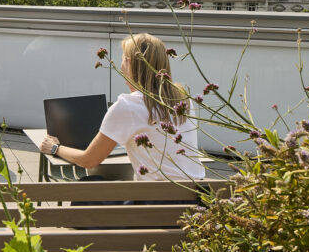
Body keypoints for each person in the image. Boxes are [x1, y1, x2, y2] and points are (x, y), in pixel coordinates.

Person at [39, 33, 205, 180]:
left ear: (129, 62)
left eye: (123, 59)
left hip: (157, 201)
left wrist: (55, 148)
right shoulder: (183, 99)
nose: (120, 66)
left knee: (90, 184)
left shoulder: (128, 105)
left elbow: (88, 161)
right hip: (194, 196)